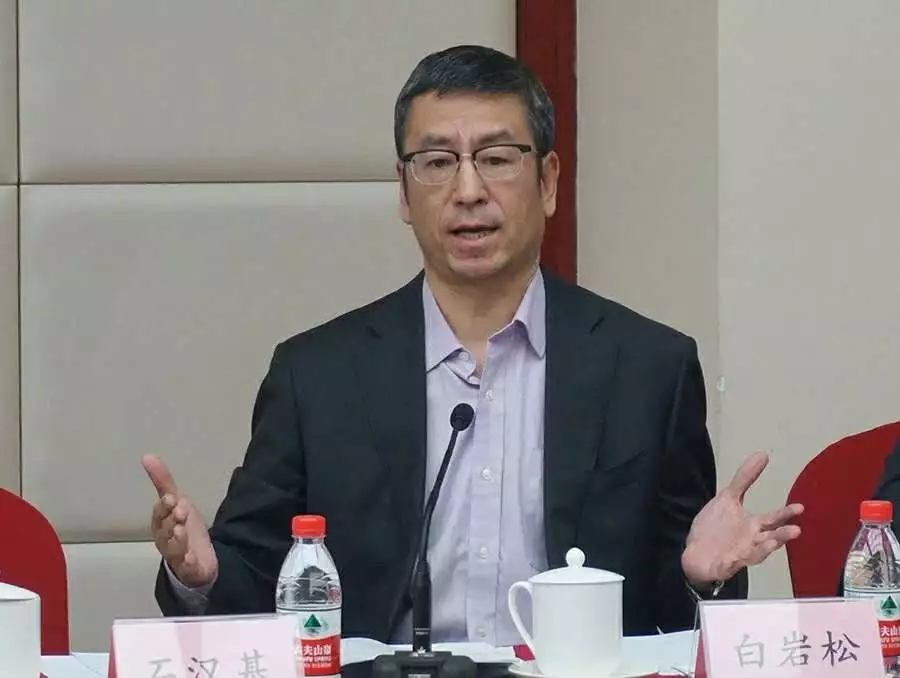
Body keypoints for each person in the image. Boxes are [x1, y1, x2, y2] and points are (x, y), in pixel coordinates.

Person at [145, 45, 803, 645]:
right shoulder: (317, 375)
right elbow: (256, 578)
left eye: (496, 158)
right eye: (437, 163)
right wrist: (199, 574)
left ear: (547, 181)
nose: (467, 191)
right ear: (404, 192)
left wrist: (703, 578)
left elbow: (677, 615)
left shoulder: (648, 368)